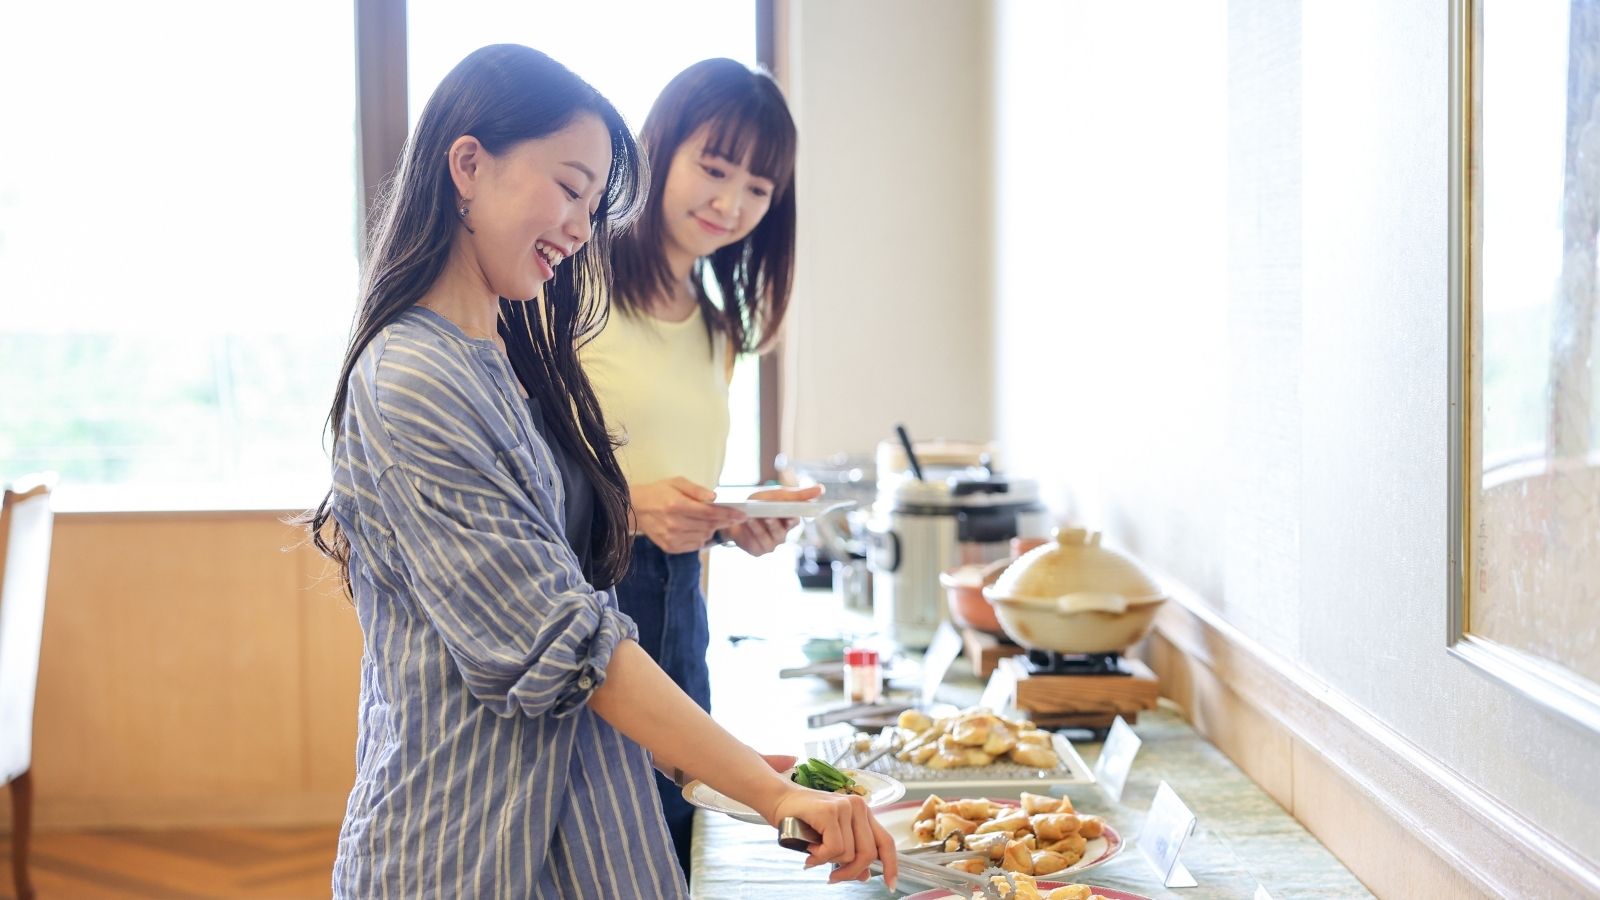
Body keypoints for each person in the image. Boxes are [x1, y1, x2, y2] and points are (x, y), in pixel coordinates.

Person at [305, 45, 896, 898]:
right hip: (465, 843)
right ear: (468, 166)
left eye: (593, 201)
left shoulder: (506, 352)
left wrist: (719, 761)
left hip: (572, 814)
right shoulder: (412, 381)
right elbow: (567, 641)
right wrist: (768, 793)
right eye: (570, 188)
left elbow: (578, 586)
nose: (583, 228)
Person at [578, 57, 818, 874]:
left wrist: (731, 524)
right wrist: (632, 508)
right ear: (659, 150)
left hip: (680, 620)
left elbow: (670, 486)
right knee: (601, 857)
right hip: (584, 612)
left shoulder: (717, 329)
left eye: (757, 188)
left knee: (677, 851)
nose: (730, 203)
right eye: (713, 169)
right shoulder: (572, 282)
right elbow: (519, 480)